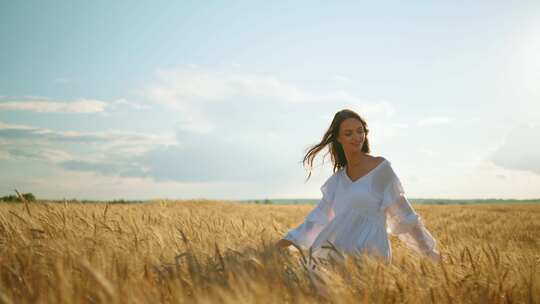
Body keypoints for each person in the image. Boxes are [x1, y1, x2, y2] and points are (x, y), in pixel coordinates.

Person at [275, 109, 441, 264]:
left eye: (360, 131)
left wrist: (429, 252)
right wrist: (280, 245)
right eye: (348, 133)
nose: (356, 137)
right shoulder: (337, 181)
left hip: (373, 257)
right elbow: (316, 220)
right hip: (338, 257)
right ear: (338, 138)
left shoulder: (380, 169)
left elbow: (404, 214)